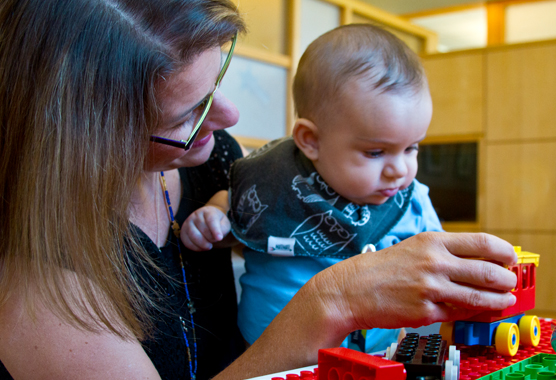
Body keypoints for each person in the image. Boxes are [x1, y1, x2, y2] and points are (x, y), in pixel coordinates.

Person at [0, 1, 519, 380]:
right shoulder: (34, 284)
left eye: (218, 79)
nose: (229, 118)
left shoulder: (216, 158)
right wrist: (333, 297)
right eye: (191, 112)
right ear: (91, 134)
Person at [181, 24, 442, 352]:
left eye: (411, 148)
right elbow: (237, 208)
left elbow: (438, 257)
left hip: (378, 353)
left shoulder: (411, 200)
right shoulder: (273, 182)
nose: (400, 170)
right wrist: (215, 216)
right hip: (272, 353)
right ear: (311, 140)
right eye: (375, 152)